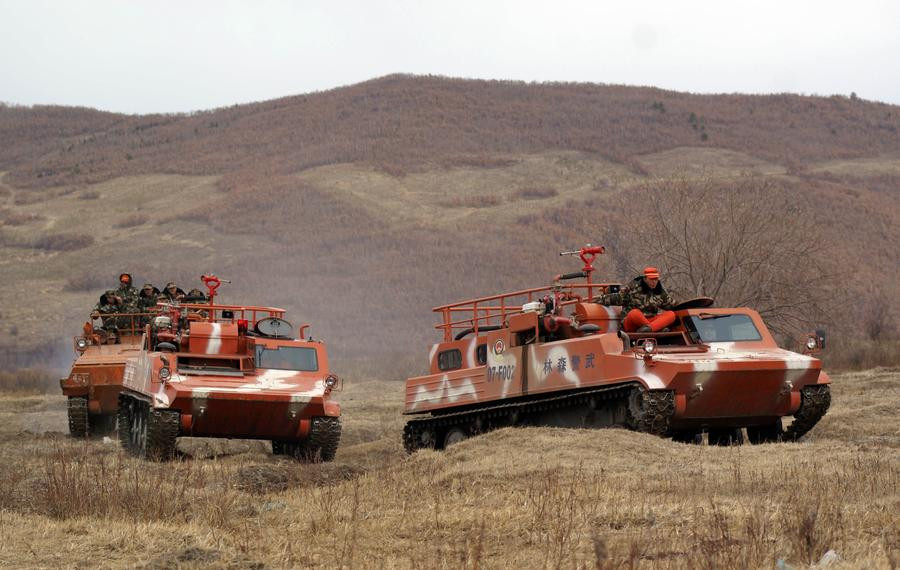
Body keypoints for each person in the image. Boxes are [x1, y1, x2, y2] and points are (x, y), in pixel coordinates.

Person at [597, 266, 676, 333]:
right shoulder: (634, 287)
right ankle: (655, 329)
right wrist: (600, 299)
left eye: (656, 279)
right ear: (645, 279)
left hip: (650, 321)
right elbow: (618, 298)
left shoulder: (659, 291)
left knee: (671, 314)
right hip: (632, 323)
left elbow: (671, 305)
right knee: (634, 313)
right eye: (651, 279)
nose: (654, 282)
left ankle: (649, 329)